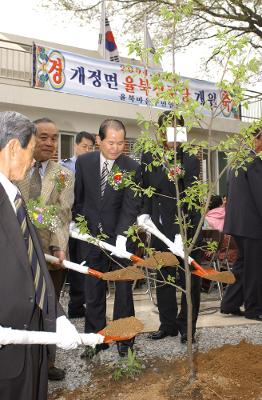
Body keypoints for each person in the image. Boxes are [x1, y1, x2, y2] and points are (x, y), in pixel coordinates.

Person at [0, 111, 81, 400]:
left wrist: (56, 316)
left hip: (32, 327)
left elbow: (60, 216)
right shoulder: (13, 186)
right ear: (12, 148)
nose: (35, 157)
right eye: (33, 147)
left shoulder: (54, 179)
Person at [73, 119, 141, 357]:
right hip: (91, 238)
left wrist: (122, 236)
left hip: (121, 238)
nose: (115, 148)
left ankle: (124, 339)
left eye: (120, 143)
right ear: (98, 140)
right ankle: (96, 340)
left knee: (123, 290)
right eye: (110, 142)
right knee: (93, 289)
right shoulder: (84, 162)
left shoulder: (132, 167)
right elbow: (80, 199)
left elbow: (131, 206)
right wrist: (78, 224)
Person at [17, 117, 74, 381]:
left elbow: (62, 215)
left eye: (54, 138)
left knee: (50, 309)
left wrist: (58, 246)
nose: (50, 143)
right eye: (44, 137)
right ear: (31, 137)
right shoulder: (15, 167)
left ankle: (48, 362)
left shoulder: (63, 175)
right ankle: (20, 360)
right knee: (19, 308)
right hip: (16, 254)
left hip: (50, 257)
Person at [139, 112, 201, 343]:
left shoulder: (190, 157)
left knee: (189, 280)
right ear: (161, 131)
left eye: (179, 128)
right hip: (159, 228)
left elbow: (194, 196)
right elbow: (145, 190)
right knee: (164, 278)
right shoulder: (149, 155)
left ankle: (187, 328)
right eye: (169, 128)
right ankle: (167, 325)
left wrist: (192, 232)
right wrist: (144, 217)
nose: (174, 133)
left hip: (186, 227)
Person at [221, 127, 262, 321]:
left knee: (242, 265)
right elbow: (259, 195)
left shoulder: (235, 161)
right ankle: (254, 309)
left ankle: (229, 303)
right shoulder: (253, 162)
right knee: (255, 268)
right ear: (257, 139)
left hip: (237, 224)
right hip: (252, 226)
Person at [59, 131, 95, 319]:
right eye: (84, 147)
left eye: (91, 148)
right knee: (68, 263)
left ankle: (81, 305)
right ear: (76, 146)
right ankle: (71, 305)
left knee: (84, 262)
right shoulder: (64, 166)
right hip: (66, 222)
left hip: (85, 223)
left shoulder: (94, 167)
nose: (88, 150)